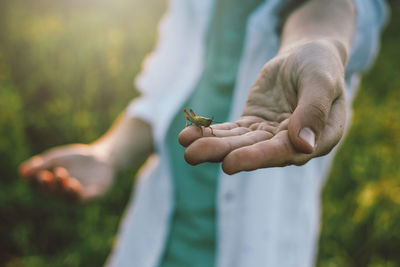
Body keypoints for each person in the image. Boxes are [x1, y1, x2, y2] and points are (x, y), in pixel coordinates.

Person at [19, 0, 388, 266]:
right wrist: (108, 154)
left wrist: (320, 43)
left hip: (261, 248)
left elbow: (333, 10)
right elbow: (158, 97)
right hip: (154, 243)